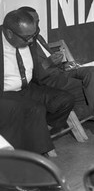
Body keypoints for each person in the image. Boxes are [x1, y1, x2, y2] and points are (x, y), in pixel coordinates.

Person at [19, 6, 94, 159]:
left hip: (61, 71)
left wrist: (61, 63)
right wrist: (48, 63)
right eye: (34, 22)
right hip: (49, 81)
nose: (37, 26)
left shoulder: (38, 36)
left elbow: (50, 62)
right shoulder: (21, 42)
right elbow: (28, 75)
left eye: (38, 22)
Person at [1, 9, 74, 150]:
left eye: (32, 35)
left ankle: (35, 136)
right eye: (27, 37)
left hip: (27, 87)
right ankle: (35, 154)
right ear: (9, 33)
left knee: (65, 100)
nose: (30, 40)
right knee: (35, 109)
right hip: (4, 93)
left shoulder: (28, 37)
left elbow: (37, 70)